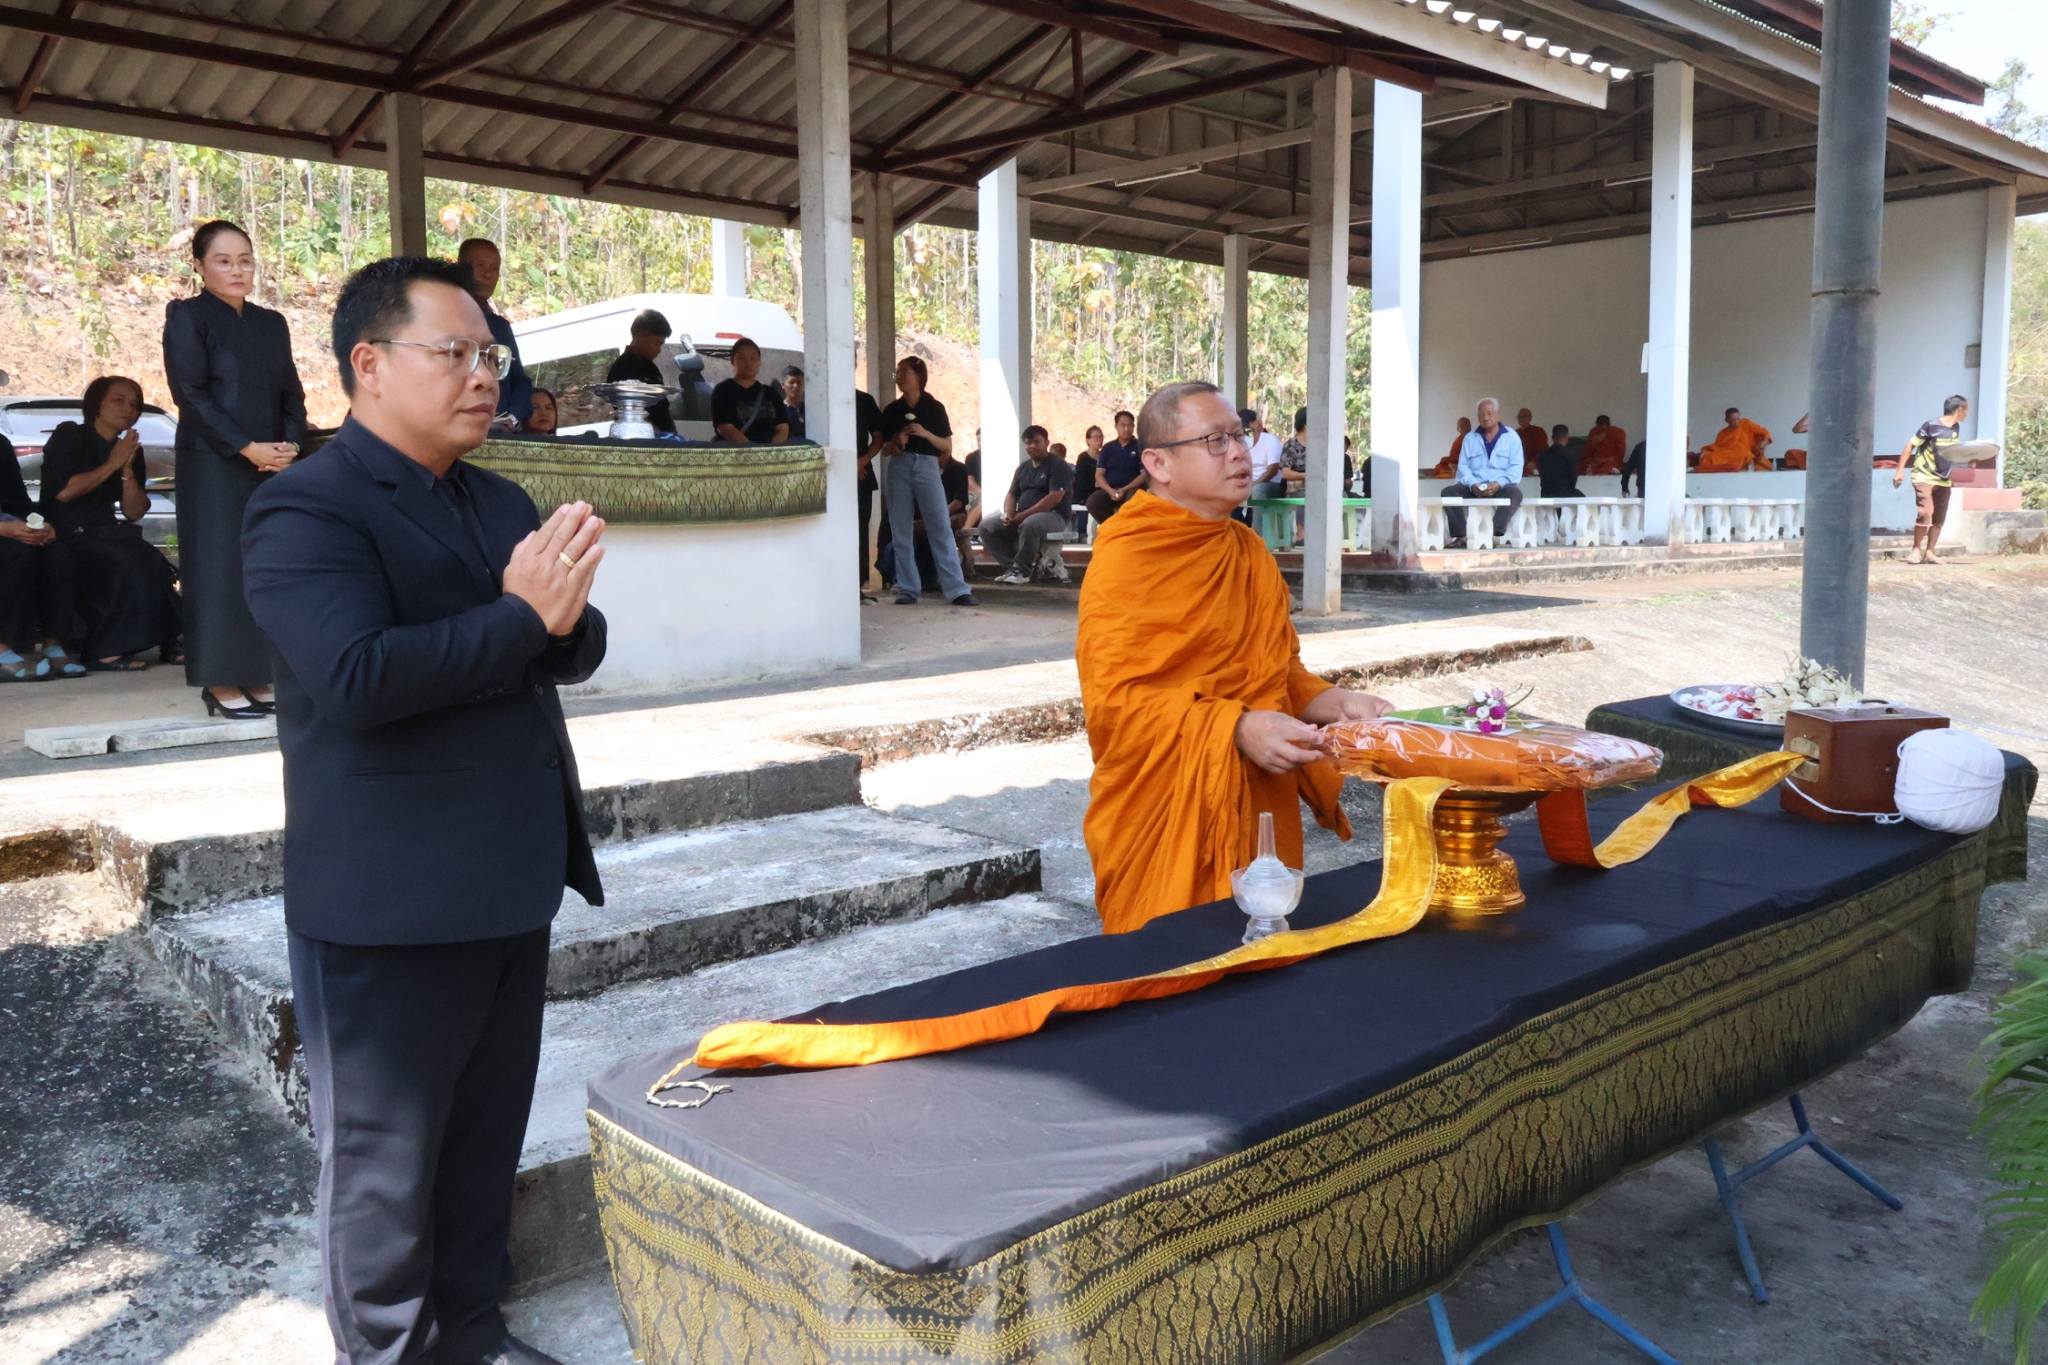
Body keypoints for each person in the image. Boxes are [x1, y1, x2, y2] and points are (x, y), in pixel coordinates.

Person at [242, 255, 607, 1365]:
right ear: (369, 362)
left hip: (507, 872)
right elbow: (358, 677)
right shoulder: (306, 506)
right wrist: (524, 617)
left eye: (489, 354)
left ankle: (473, 1332)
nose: (483, 375)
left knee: (484, 1140)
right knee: (384, 1168)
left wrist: (561, 615)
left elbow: (563, 645)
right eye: (454, 352)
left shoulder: (495, 498)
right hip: (390, 897)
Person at [1076, 380, 1391, 934]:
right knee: (1171, 961)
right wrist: (1237, 728)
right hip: (1165, 809)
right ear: (1158, 463)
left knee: (1261, 953)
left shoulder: (1247, 551)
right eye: (1215, 441)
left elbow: (1275, 672)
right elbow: (1117, 708)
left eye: (1240, 436)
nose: (1240, 453)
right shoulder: (1129, 557)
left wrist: (1336, 703)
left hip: (1257, 807)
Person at [163, 218, 306, 718]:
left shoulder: (271, 323)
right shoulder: (188, 316)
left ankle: (259, 672)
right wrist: (246, 447)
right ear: (200, 266)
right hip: (215, 463)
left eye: (245, 260)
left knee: (263, 567)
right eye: (223, 261)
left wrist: (291, 444)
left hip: (271, 463)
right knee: (217, 569)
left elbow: (291, 391)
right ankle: (220, 680)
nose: (237, 270)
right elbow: (191, 395)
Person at [36, 376, 181, 671]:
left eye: (134, 405)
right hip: (65, 529)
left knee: (152, 560)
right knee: (125, 561)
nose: (128, 409)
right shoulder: (71, 435)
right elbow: (64, 492)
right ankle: (105, 650)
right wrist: (112, 463)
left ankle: (169, 638)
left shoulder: (129, 449)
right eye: (118, 400)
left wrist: (127, 471)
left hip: (105, 529)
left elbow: (134, 511)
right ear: (97, 404)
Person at [881, 355, 975, 606]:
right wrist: (896, 443)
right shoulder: (892, 410)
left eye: (905, 372)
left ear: (919, 376)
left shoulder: (934, 407)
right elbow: (885, 449)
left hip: (927, 465)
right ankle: (907, 588)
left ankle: (957, 589)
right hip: (899, 467)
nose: (900, 377)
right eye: (898, 372)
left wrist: (924, 433)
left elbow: (946, 445)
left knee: (940, 525)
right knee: (900, 528)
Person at [0, 432, 80, 682]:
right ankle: (3, 650)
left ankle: (52, 643)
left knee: (56, 553)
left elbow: (17, 502)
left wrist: (39, 526)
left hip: (8, 527)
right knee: (15, 554)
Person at [1893, 394, 1980, 565]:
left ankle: (1930, 552)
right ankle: (1915, 550)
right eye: (1966, 410)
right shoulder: (1931, 425)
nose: (1967, 414)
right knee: (1926, 513)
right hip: (1924, 475)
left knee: (1939, 517)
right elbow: (1910, 445)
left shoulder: (1956, 427)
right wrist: (1899, 471)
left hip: (1944, 479)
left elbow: (1949, 452)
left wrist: (1968, 459)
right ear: (1959, 409)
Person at [982, 426, 1074, 584]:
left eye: (1037, 442)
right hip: (1022, 515)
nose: (1032, 446)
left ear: (1046, 443)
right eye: (1028, 443)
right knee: (987, 526)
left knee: (1030, 523)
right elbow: (1011, 494)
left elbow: (1054, 498)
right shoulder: (1023, 468)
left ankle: (1022, 570)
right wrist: (1009, 515)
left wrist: (1022, 516)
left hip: (1054, 516)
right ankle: (1012, 567)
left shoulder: (1058, 465)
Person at [455, 237, 532, 427]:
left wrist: (511, 419)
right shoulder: (442, 319)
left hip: (499, 429)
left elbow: (520, 381)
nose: (488, 274)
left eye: (494, 268)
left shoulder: (500, 327)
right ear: (460, 267)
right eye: (481, 265)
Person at [1442, 397, 1524, 546]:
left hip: (1499, 486)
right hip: (1474, 487)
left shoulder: (1511, 437)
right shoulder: (1470, 438)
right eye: (1481, 415)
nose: (1486, 418)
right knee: (1448, 492)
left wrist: (1499, 484)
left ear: (1498, 414)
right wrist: (1473, 484)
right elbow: (1463, 467)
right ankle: (1462, 536)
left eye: (1489, 413)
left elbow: (1516, 467)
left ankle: (1491, 532)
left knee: (1515, 494)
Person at [604, 309, 676, 436]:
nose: (659, 350)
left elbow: (663, 410)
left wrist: (672, 438)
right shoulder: (622, 369)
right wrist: (659, 438)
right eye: (657, 343)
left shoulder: (651, 368)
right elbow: (632, 416)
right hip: (643, 439)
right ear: (641, 336)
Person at [710, 338, 790, 445]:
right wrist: (753, 450)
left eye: (753, 358)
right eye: (742, 358)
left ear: (759, 362)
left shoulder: (771, 393)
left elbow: (782, 428)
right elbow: (726, 428)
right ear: (732, 361)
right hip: (736, 452)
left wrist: (771, 450)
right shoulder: (723, 391)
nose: (748, 363)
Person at [1086, 409, 1146, 526]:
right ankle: (1112, 526)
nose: (1126, 429)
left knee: (1134, 501)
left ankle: (1126, 528)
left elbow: (1144, 474)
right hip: (1111, 489)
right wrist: (1109, 490)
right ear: (1116, 427)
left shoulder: (1141, 447)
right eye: (1123, 425)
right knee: (1093, 502)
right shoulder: (1108, 448)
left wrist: (1125, 489)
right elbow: (1099, 474)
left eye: (1130, 425)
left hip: (1133, 489)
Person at [856, 386, 885, 602]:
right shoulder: (821, 395)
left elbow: (878, 438)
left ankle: (856, 585)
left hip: (861, 474)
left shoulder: (864, 400)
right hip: (828, 474)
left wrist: (862, 461)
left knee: (860, 529)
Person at [1696, 407, 1772, 472]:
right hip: (1728, 453)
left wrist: (1764, 442)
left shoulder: (1746, 423)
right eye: (1733, 420)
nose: (1737, 422)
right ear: (1727, 420)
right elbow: (1718, 447)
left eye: (1738, 419)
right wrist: (1708, 450)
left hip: (1743, 451)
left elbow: (1765, 432)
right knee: (1708, 456)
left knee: (1746, 455)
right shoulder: (1722, 433)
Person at [1246, 407, 1286, 499]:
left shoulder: (1270, 440)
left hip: (1270, 483)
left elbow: (1273, 469)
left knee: (1258, 489)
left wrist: (1253, 484)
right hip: (1249, 483)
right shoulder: (1243, 442)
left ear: (1255, 423)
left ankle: (1257, 510)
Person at [1071, 425, 1103, 535]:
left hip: (1101, 491)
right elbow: (1080, 480)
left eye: (1100, 437)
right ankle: (1082, 532)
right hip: (1084, 493)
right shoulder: (1083, 458)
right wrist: (1097, 484)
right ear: (1088, 440)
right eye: (1095, 437)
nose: (1099, 440)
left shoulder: (1104, 456)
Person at [1538, 423, 1582, 498]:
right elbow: (1573, 477)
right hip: (1565, 493)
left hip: (1546, 494)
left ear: (1552, 438)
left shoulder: (1543, 455)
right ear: (1566, 437)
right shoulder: (1570, 454)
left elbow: (1542, 474)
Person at [1514, 408, 1546, 477]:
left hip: (1535, 468)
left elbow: (1543, 450)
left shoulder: (1537, 431)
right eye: (1519, 417)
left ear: (1530, 418)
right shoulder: (1515, 433)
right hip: (1519, 468)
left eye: (1524, 416)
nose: (1521, 419)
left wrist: (1534, 462)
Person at [781, 364, 806, 440]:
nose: (796, 386)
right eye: (791, 382)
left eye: (799, 382)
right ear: (783, 385)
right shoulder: (779, 410)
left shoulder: (809, 409)